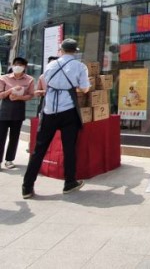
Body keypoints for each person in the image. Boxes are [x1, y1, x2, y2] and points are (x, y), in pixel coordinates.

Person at [22, 39, 90, 199]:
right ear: (75, 51)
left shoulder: (50, 65)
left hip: (49, 110)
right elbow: (85, 88)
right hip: (69, 111)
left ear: (61, 50)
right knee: (69, 148)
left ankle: (27, 187)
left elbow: (46, 83)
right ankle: (69, 182)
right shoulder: (80, 66)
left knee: (39, 150)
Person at [0, 57, 35, 170]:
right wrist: (11, 90)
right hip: (4, 111)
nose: (17, 67)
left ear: (24, 67)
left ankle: (9, 160)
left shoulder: (29, 80)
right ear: (12, 65)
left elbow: (31, 95)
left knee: (14, 137)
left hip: (18, 111)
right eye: (16, 64)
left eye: (20, 65)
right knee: (1, 137)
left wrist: (19, 97)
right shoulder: (4, 78)